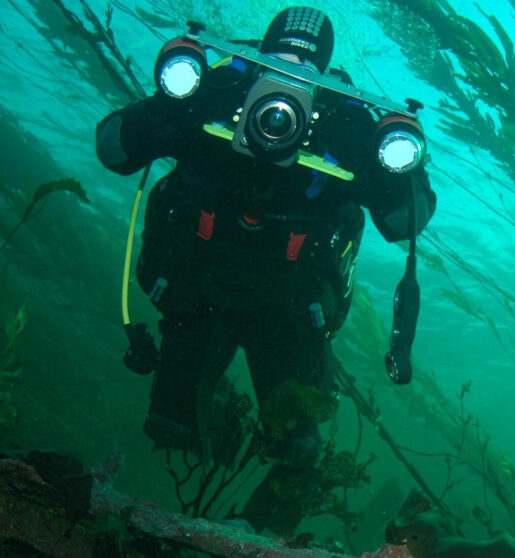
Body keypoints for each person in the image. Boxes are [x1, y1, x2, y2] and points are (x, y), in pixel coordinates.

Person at [95, 6, 435, 535]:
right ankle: (172, 515)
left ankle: (256, 542)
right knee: (171, 423)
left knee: (297, 449)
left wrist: (393, 161)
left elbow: (404, 221)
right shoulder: (221, 87)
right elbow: (113, 147)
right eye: (274, 65)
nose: (283, 99)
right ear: (256, 58)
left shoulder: (343, 121)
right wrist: (173, 105)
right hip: (197, 290)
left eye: (304, 72)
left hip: (290, 309)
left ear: (324, 78)